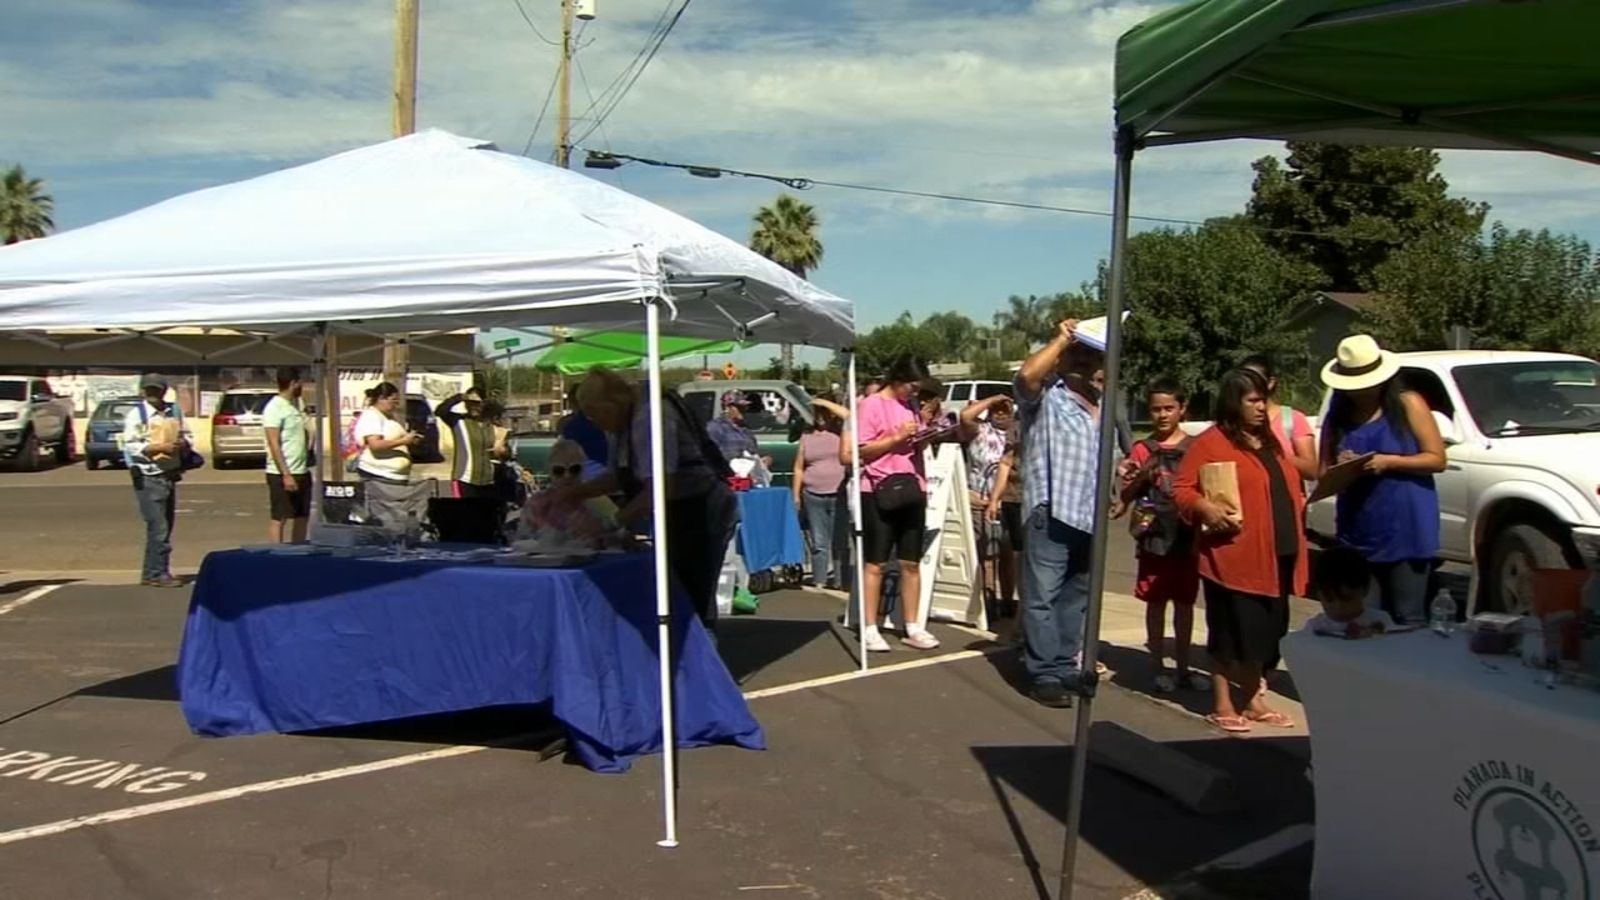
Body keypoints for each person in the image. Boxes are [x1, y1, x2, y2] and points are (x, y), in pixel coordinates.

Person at [1173, 368, 1306, 734]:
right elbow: (1182, 489)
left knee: (1266, 632)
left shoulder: (1269, 441)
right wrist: (1206, 509)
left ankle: (1252, 699)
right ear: (1234, 403)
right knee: (1230, 632)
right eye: (1253, 401)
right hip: (1232, 557)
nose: (1262, 408)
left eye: (1264, 400)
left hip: (1277, 554)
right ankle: (1223, 703)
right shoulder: (1212, 443)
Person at [566, 367, 739, 630]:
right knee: (668, 588)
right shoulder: (618, 425)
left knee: (690, 594)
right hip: (674, 506)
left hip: (701, 506)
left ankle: (699, 659)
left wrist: (612, 523)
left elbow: (658, 488)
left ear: (614, 404)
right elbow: (619, 476)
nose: (593, 421)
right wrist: (575, 492)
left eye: (595, 413)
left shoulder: (651, 419)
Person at [1318, 334, 1446, 626]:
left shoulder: (1408, 404)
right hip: (1359, 530)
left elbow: (1436, 459)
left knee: (1409, 616)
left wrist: (1388, 461)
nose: (1360, 391)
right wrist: (1343, 466)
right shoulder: (1336, 417)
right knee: (1363, 617)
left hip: (1407, 526)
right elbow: (1323, 474)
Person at [1014, 319, 1104, 708]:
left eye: (1092, 354)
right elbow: (1025, 376)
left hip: (1088, 513)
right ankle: (1044, 672)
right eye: (1078, 353)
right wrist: (1064, 338)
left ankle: (1067, 663)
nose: (1085, 362)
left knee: (1075, 596)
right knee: (1042, 597)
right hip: (1052, 508)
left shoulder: (1104, 404)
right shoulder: (1048, 396)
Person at [1118, 378, 1207, 694]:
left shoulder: (1197, 447)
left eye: (1169, 408)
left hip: (1187, 537)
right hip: (1153, 537)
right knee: (1155, 603)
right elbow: (1127, 491)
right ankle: (1157, 666)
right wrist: (1131, 477)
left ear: (1183, 409)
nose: (1162, 415)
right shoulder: (1142, 449)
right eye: (1155, 409)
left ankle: (1183, 668)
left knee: (1185, 605)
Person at [855, 356, 942, 652]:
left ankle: (913, 625)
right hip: (879, 487)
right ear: (898, 379)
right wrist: (896, 437)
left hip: (912, 486)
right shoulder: (871, 404)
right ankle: (869, 626)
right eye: (912, 386)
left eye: (918, 389)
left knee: (911, 562)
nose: (915, 393)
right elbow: (862, 450)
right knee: (876, 562)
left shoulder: (912, 406)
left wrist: (926, 435)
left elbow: (914, 443)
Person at [122, 376, 192, 588]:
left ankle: (152, 571)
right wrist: (159, 448)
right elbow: (131, 447)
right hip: (147, 476)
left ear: (164, 391)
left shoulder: (174, 412)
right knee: (158, 527)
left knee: (165, 526)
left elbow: (188, 436)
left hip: (169, 475)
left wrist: (182, 443)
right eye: (149, 390)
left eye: (157, 390)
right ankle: (157, 572)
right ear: (143, 391)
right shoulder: (137, 415)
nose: (153, 395)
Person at [968, 398, 1018, 620]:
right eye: (995, 411)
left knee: (1007, 554)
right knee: (985, 555)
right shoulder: (980, 430)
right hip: (979, 498)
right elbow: (965, 417)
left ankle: (1007, 600)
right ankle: (988, 601)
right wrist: (992, 399)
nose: (1000, 414)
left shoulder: (1016, 432)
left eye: (1004, 410)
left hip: (1007, 501)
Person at [793, 395, 848, 590]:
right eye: (817, 413)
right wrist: (796, 494)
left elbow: (850, 416)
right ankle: (819, 580)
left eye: (825, 412)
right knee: (818, 541)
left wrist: (825, 402)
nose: (820, 417)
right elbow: (799, 467)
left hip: (838, 492)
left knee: (840, 541)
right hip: (812, 494)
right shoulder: (806, 437)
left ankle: (842, 580)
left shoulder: (843, 431)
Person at [353, 382, 423, 527]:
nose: (396, 405)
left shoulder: (387, 417)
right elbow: (375, 445)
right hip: (380, 476)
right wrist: (403, 440)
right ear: (381, 398)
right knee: (387, 519)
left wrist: (410, 440)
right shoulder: (372, 416)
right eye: (393, 400)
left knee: (396, 517)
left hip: (394, 477)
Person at [517, 439, 614, 543]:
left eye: (574, 469)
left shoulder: (598, 501)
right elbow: (523, 541)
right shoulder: (536, 504)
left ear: (584, 469)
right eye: (559, 471)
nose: (567, 476)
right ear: (549, 471)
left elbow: (617, 535)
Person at [1241, 354, 1318, 480]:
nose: (1247, 384)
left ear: (1271, 382)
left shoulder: (1292, 419)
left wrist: (1274, 452)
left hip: (1287, 498)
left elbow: (1311, 471)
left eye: (1253, 379)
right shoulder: (1233, 422)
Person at [262, 367, 311, 544]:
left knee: (302, 515)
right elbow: (274, 443)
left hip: (301, 470)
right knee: (280, 517)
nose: (302, 386)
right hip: (281, 473)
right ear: (293, 383)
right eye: (300, 383)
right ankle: (277, 555)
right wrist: (286, 474)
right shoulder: (274, 408)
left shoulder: (295, 406)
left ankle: (297, 550)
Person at [1306, 545, 1397, 637]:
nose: (1338, 607)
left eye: (1347, 599)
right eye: (1329, 599)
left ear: (1365, 590)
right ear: (1318, 594)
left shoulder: (1381, 622)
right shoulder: (1315, 628)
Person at [437, 387, 505, 499]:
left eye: (476, 403)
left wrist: (502, 451)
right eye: (468, 403)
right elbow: (440, 411)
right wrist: (460, 397)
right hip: (464, 479)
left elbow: (500, 409)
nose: (472, 406)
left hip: (489, 480)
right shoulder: (458, 421)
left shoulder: (491, 424)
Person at [706, 390, 761, 461]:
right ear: (727, 408)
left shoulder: (745, 429)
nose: (743, 410)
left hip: (745, 470)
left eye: (744, 407)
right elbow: (709, 454)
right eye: (739, 407)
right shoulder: (715, 427)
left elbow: (753, 452)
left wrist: (763, 459)